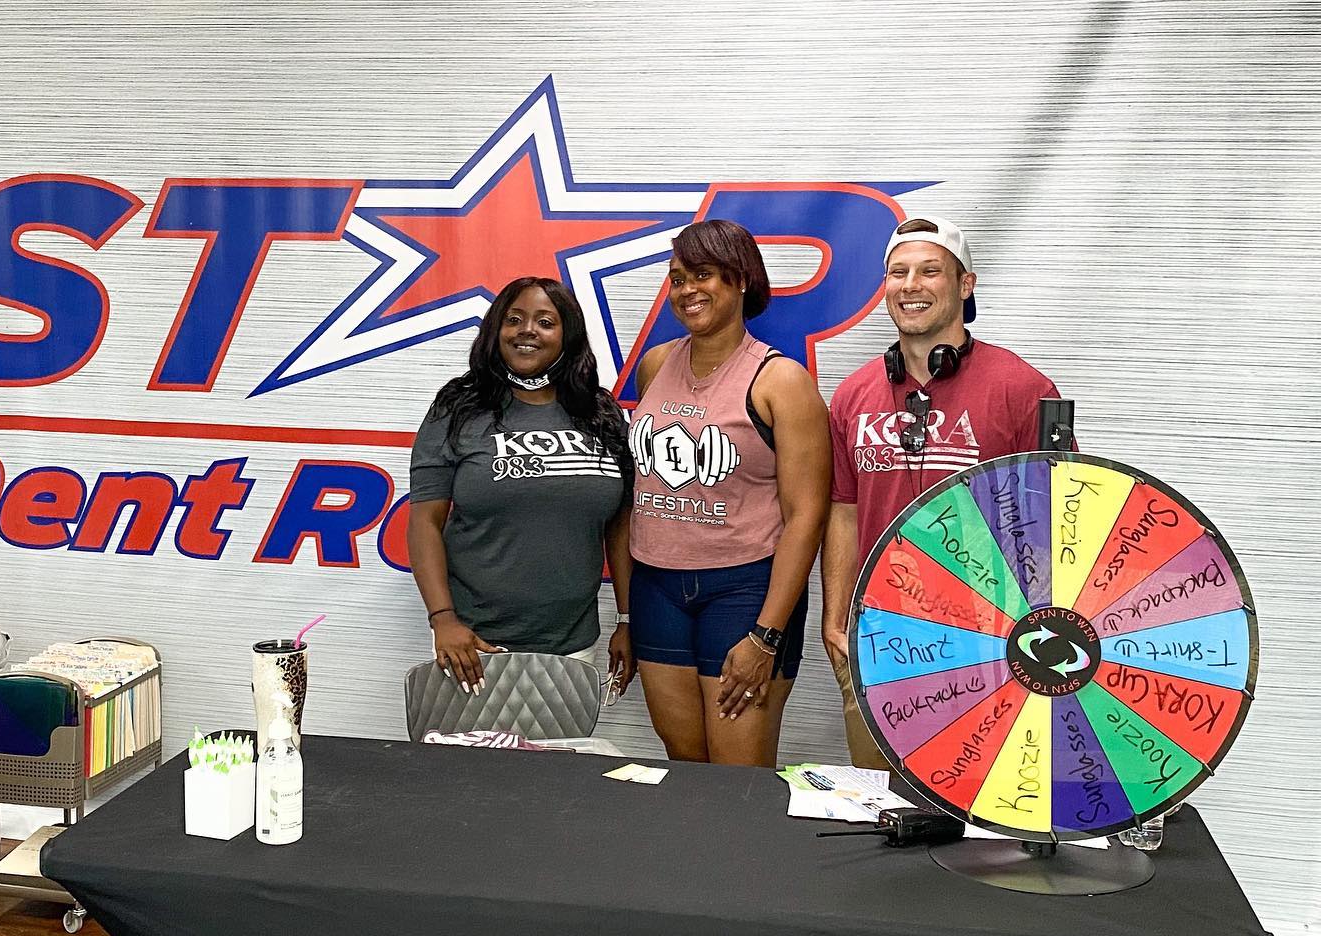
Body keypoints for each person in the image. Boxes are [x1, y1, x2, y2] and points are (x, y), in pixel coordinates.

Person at [821, 215, 1062, 770]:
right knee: (882, 807)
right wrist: (837, 613)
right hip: (880, 630)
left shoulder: (1023, 389)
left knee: (978, 805)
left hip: (992, 638)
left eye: (931, 271)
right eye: (898, 272)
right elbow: (843, 507)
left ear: (965, 284)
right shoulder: (854, 394)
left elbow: (1059, 520)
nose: (912, 285)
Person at [628, 219, 831, 767]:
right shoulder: (654, 366)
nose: (686, 289)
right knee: (685, 762)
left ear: (741, 280)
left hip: (744, 591)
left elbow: (806, 516)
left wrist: (766, 634)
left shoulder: (780, 381)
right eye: (676, 279)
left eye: (703, 275)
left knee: (738, 778)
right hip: (656, 587)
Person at [408, 277, 635, 698]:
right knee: (468, 764)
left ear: (568, 336)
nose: (527, 330)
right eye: (514, 320)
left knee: (555, 764)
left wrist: (627, 619)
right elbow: (425, 520)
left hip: (572, 647)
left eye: (545, 322)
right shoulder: (457, 408)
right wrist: (443, 619)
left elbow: (620, 526)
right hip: (474, 646)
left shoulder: (601, 413)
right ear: (496, 331)